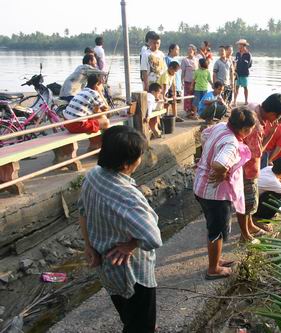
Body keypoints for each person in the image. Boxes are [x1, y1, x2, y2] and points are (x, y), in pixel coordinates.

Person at [78, 125, 162, 333]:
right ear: (127, 163)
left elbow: (82, 212)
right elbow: (153, 238)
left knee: (128, 314)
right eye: (139, 156)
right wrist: (131, 245)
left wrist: (89, 247)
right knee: (140, 325)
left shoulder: (93, 175)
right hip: (133, 273)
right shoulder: (128, 196)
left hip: (106, 265)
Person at [194, 107, 256, 279]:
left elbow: (204, 135)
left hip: (201, 186)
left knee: (214, 227)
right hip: (214, 195)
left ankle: (217, 259)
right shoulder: (231, 143)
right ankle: (213, 269)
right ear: (244, 129)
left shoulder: (221, 126)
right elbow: (219, 163)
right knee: (217, 231)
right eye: (251, 129)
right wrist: (222, 172)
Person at [238, 94, 281, 242]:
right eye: (278, 117)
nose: (277, 121)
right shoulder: (257, 127)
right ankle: (246, 234)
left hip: (242, 166)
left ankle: (251, 226)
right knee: (246, 204)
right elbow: (258, 152)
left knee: (249, 203)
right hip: (247, 171)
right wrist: (271, 133)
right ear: (273, 114)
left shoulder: (253, 107)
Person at [254, 156, 281, 221]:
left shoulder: (269, 168)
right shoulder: (273, 181)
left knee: (278, 191)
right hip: (252, 206)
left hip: (250, 200)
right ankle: (262, 217)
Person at [181, 44, 198, 119]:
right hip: (187, 80)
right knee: (187, 96)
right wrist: (182, 81)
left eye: (191, 50)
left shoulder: (196, 59)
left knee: (195, 96)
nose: (189, 51)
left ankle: (194, 111)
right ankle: (188, 111)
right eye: (188, 50)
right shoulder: (185, 60)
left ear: (194, 51)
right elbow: (183, 72)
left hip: (196, 81)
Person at [233, 39, 252, 105]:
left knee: (245, 87)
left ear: (244, 46)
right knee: (236, 87)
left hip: (244, 74)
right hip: (237, 73)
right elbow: (235, 62)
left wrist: (243, 68)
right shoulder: (237, 54)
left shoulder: (248, 54)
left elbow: (249, 65)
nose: (238, 46)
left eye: (240, 45)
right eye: (238, 45)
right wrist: (234, 70)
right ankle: (234, 101)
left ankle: (246, 101)